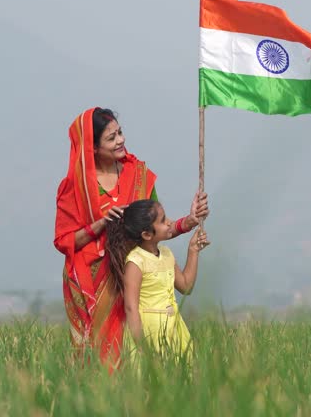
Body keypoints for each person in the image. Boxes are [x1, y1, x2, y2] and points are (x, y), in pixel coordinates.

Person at [53, 107, 208, 365]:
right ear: (92, 148)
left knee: (129, 355)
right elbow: (64, 241)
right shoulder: (75, 187)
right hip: (91, 285)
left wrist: (189, 222)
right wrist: (101, 223)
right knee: (95, 359)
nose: (121, 140)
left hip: (133, 276)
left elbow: (151, 228)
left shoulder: (138, 175)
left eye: (120, 133)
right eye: (111, 138)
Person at [106, 199, 209, 363]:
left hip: (173, 328)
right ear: (146, 234)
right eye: (162, 221)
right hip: (149, 332)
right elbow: (131, 309)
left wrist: (193, 250)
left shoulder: (166, 254)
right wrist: (143, 349)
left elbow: (186, 286)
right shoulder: (135, 262)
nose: (169, 223)